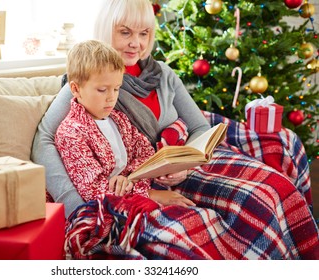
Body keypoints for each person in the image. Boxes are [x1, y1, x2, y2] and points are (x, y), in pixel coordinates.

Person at [32, 0, 319, 259]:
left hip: (182, 167)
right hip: (145, 180)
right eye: (125, 33)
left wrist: (184, 164)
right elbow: (44, 139)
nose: (136, 43)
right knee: (255, 202)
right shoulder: (92, 79)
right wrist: (74, 207)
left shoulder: (163, 74)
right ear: (106, 30)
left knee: (278, 186)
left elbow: (197, 127)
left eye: (144, 33)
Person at [55, 39, 194, 207]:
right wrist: (148, 194)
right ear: (76, 89)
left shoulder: (119, 119)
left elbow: (145, 153)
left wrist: (128, 179)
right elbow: (92, 190)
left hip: (138, 189)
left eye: (116, 89)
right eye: (102, 90)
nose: (111, 98)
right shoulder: (71, 133)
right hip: (116, 206)